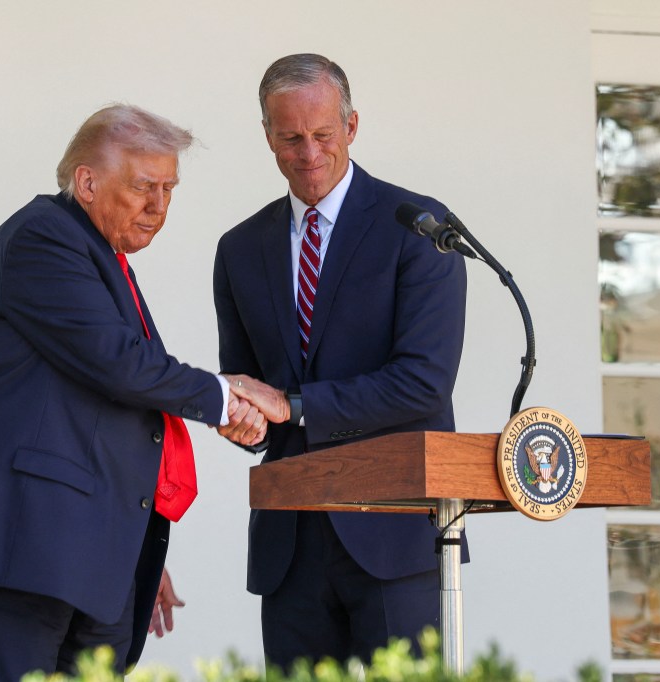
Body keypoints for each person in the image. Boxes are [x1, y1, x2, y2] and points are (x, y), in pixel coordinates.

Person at [0, 103, 278, 681]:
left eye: (169, 189)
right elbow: (119, 364)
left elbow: (104, 413)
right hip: (11, 554)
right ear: (87, 181)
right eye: (144, 187)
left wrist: (126, 550)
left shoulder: (103, 256)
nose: (159, 206)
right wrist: (225, 395)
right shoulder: (41, 237)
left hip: (80, 565)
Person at [212, 54, 468, 669]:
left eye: (323, 135)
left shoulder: (420, 227)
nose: (308, 153)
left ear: (352, 126)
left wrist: (295, 408)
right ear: (267, 136)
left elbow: (424, 381)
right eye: (290, 137)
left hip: (397, 531)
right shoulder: (239, 249)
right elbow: (250, 387)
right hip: (290, 543)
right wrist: (242, 419)